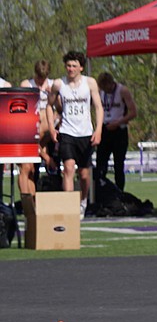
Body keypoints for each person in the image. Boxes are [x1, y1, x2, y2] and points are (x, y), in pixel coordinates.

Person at [45, 51, 103, 217]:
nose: (70, 69)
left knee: (84, 175)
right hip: (67, 132)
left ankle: (82, 202)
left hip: (85, 133)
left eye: (74, 66)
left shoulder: (90, 83)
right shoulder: (59, 84)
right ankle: (69, 207)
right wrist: (51, 127)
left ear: (81, 67)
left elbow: (98, 107)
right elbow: (49, 105)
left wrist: (98, 129)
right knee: (68, 168)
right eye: (68, 66)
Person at [17, 59, 55, 197]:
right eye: (39, 78)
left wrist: (53, 96)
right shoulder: (27, 84)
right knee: (26, 168)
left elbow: (61, 110)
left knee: (33, 170)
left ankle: (33, 202)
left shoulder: (52, 85)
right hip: (28, 131)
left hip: (44, 135)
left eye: (43, 78)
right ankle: (26, 201)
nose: (40, 81)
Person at [95, 72, 138, 191]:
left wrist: (118, 123)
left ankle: (120, 193)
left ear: (111, 83)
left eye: (107, 88)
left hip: (119, 130)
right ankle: (101, 192)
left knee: (119, 165)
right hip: (105, 129)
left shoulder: (122, 91)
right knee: (101, 164)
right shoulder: (100, 92)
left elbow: (133, 112)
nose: (106, 91)